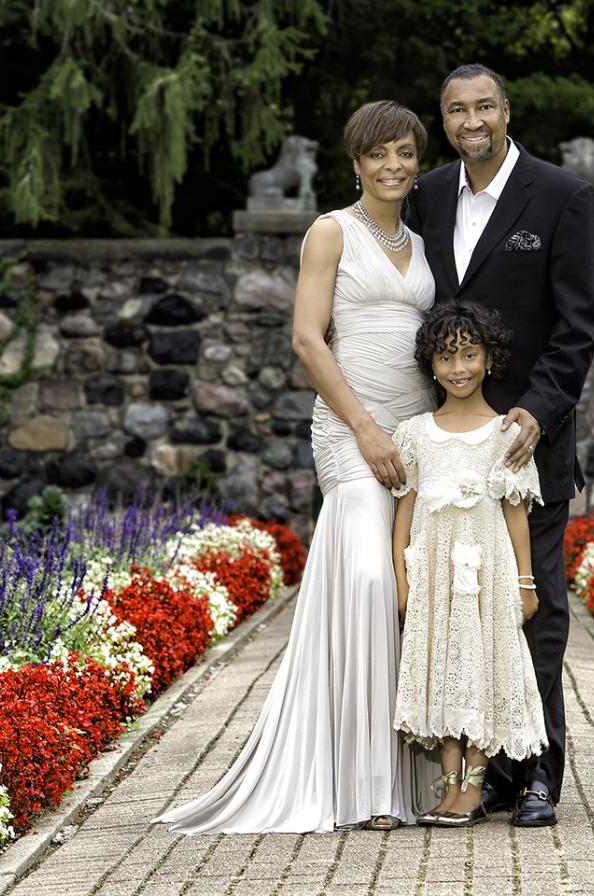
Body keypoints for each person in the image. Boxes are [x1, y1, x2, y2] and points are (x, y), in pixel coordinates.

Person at [153, 100, 436, 834]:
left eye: (405, 152)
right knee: (369, 579)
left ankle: (404, 775)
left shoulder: (425, 241)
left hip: (416, 435)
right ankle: (362, 784)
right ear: (355, 162)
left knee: (407, 590)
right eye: (379, 154)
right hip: (352, 432)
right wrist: (367, 429)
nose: (393, 165)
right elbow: (310, 342)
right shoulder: (329, 232)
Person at [406, 63, 594, 827]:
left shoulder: (561, 197)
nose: (472, 120)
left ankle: (541, 772)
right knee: (462, 619)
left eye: (484, 106)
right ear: (445, 119)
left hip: (527, 448)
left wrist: (535, 413)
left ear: (507, 111)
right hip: (450, 455)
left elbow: (578, 326)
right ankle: (485, 770)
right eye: (457, 109)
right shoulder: (424, 196)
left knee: (536, 611)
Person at [391, 302, 547, 828]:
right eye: (446, 357)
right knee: (443, 672)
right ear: (430, 366)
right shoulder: (414, 434)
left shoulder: (506, 433)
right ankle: (448, 787)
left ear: (488, 359)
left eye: (469, 355)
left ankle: (473, 790)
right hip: (435, 577)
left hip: (487, 576)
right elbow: (404, 512)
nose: (458, 368)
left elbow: (516, 514)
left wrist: (525, 583)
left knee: (481, 669)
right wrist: (401, 578)